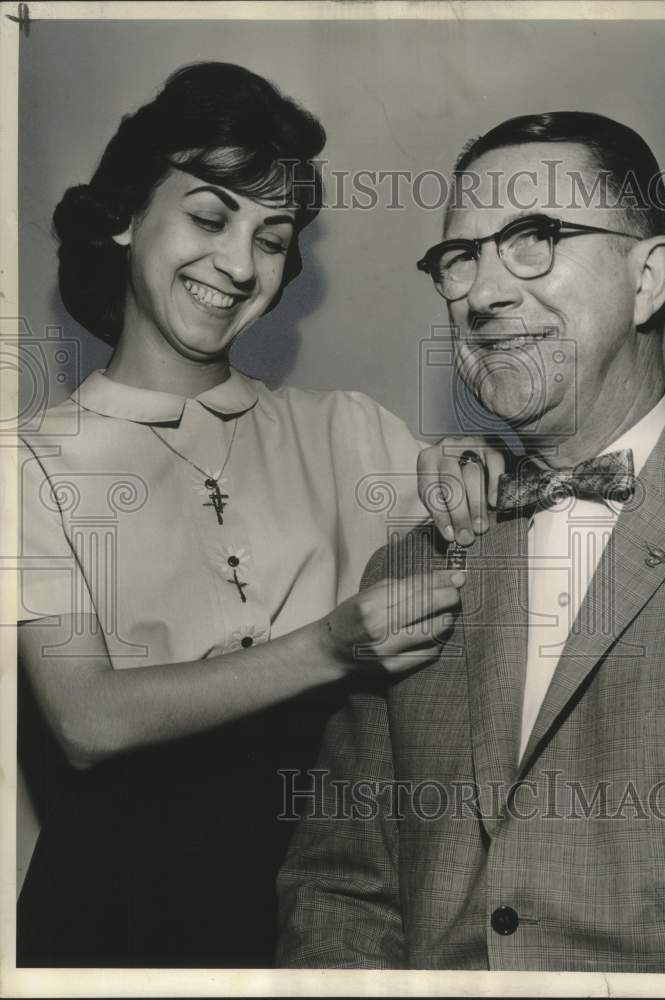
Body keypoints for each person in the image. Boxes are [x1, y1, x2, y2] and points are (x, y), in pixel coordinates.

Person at [14, 62, 500, 968]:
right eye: (208, 217)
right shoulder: (25, 462)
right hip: (119, 909)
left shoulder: (349, 430)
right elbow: (85, 721)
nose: (238, 264)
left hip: (339, 894)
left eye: (273, 239)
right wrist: (329, 647)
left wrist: (478, 470)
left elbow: (492, 572)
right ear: (124, 217)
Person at [277, 112, 665, 972]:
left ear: (648, 276)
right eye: (459, 258)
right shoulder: (413, 561)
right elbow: (339, 885)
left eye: (533, 238)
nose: (481, 291)